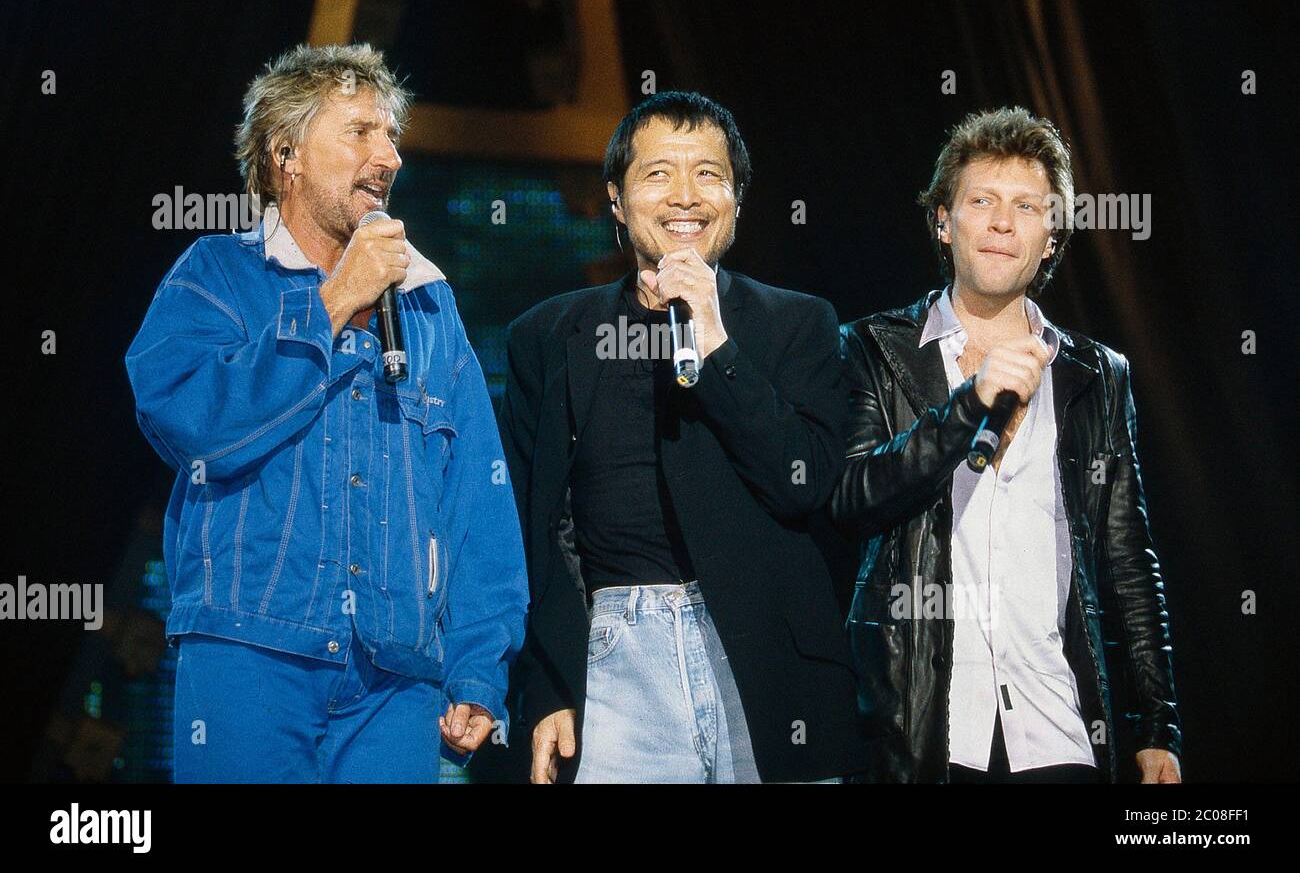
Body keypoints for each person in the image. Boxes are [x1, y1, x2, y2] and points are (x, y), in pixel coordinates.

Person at [126, 43, 528, 782]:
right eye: (361, 131)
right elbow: (192, 424)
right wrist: (335, 303)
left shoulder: (428, 303)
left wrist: (477, 666)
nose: (390, 157)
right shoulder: (217, 276)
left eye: (393, 136)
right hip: (252, 652)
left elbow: (477, 494)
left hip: (396, 678)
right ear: (287, 152)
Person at [501, 91, 868, 783]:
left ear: (736, 199)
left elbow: (806, 481)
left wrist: (718, 344)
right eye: (658, 172)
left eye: (708, 173)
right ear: (615, 199)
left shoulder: (799, 324)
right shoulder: (546, 336)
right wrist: (548, 685)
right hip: (615, 663)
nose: (685, 195)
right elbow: (530, 527)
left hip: (765, 657)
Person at [832, 106, 1182, 783]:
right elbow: (853, 499)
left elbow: (1127, 558)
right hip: (928, 727)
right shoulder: (875, 348)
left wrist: (1156, 722)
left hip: (1056, 729)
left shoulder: (1096, 375)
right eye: (981, 201)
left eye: (1026, 206)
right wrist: (968, 406)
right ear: (943, 219)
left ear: (1051, 236)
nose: (1001, 222)